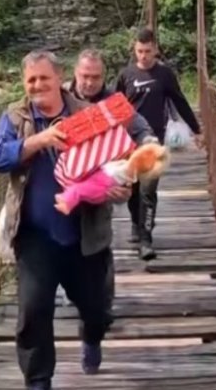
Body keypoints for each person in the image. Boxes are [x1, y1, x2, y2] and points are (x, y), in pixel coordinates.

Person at [0, 50, 127, 390]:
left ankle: (92, 337)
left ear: (59, 77)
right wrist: (40, 140)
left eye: (44, 78)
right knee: (34, 313)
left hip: (84, 234)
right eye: (31, 79)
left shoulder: (89, 115)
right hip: (35, 237)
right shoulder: (14, 116)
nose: (38, 85)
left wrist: (120, 188)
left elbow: (117, 164)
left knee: (96, 310)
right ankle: (38, 382)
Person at [65, 49, 158, 327]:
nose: (90, 82)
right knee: (68, 243)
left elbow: (140, 128)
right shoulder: (61, 100)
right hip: (65, 183)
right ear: (75, 73)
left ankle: (102, 305)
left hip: (98, 184)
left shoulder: (112, 103)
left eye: (95, 77)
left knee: (99, 242)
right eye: (85, 76)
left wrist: (148, 142)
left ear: (104, 77)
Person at [114, 27, 202, 260]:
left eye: (148, 51)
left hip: (154, 143)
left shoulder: (164, 75)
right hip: (128, 143)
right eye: (140, 51)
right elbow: (113, 108)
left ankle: (146, 239)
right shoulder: (126, 75)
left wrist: (197, 130)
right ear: (135, 49)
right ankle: (135, 223)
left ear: (156, 50)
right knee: (132, 189)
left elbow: (180, 102)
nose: (144, 56)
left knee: (148, 191)